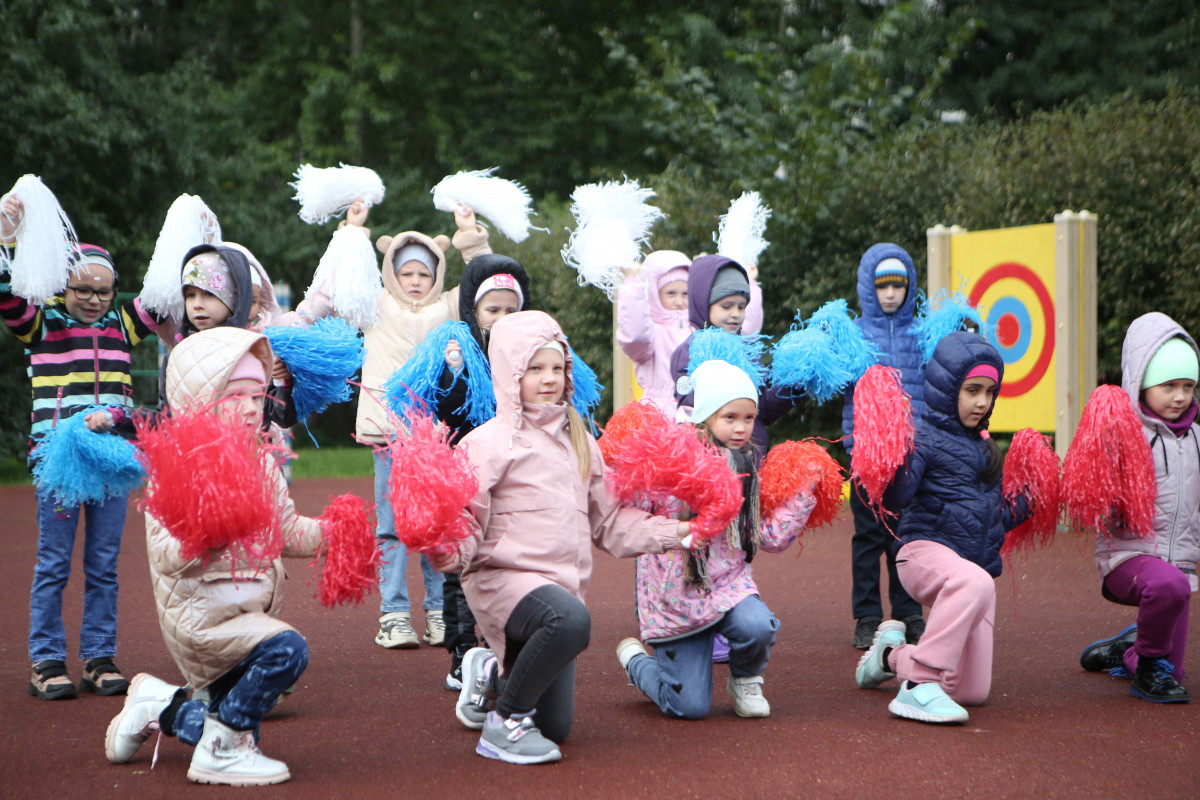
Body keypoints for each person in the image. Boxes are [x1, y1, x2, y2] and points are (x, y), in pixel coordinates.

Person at [432, 310, 689, 764]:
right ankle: (503, 725)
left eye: (557, 367)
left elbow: (609, 523)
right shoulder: (485, 443)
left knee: (556, 727)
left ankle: (492, 674)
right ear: (510, 373)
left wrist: (678, 533)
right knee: (571, 621)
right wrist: (450, 550)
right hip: (503, 581)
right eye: (534, 368)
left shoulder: (580, 440)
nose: (549, 378)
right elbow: (466, 521)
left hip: (558, 589)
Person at [103, 327, 325, 785]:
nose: (252, 407)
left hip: (244, 613)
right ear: (199, 401)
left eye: (257, 396)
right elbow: (168, 557)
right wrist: (210, 537)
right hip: (200, 620)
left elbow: (285, 532)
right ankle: (221, 752)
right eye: (235, 396)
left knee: (223, 720)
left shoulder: (260, 463)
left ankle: (161, 706)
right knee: (286, 651)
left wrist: (336, 533)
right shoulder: (177, 468)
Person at [292, 203, 488, 650]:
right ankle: (394, 614)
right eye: (406, 272)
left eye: (424, 273)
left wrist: (470, 236)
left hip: (438, 435)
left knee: (438, 523)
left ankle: (438, 612)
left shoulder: (448, 306)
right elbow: (335, 286)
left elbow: (484, 281)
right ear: (391, 274)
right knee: (393, 524)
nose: (415, 280)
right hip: (388, 432)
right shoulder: (375, 305)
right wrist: (351, 232)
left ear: (436, 275)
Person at [2, 196, 167, 700]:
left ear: (114, 291)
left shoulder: (122, 325)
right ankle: (47, 660)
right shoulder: (43, 324)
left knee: (104, 564)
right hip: (58, 460)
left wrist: (192, 233)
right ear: (63, 287)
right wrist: (6, 237)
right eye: (83, 290)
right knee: (54, 562)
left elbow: (162, 294)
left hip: (111, 459)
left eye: (103, 291)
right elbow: (5, 293)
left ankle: (98, 656)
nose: (94, 300)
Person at [615, 359, 817, 720]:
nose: (741, 428)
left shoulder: (748, 467)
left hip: (728, 586)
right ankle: (637, 664)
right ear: (705, 416)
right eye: (730, 417)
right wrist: (626, 465)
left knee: (757, 625)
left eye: (749, 418)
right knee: (689, 708)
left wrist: (803, 494)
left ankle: (745, 679)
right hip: (674, 598)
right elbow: (632, 514)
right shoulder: (669, 461)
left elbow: (769, 538)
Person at [855, 331, 1029, 724]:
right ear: (948, 389)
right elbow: (896, 499)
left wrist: (1030, 501)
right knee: (976, 582)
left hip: (968, 573)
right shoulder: (922, 436)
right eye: (972, 390)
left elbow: (991, 520)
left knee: (970, 692)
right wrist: (892, 454)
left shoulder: (986, 449)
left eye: (989, 392)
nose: (982, 402)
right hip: (922, 552)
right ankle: (917, 686)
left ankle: (890, 656)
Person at [1078, 312, 1198, 703]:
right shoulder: (1125, 435)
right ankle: (1145, 665)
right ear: (1142, 383)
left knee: (1173, 673)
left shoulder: (1197, 439)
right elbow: (1093, 501)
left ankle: (1130, 650)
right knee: (1168, 587)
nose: (1180, 396)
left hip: (1178, 570)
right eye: (1168, 386)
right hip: (1129, 559)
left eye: (1188, 386)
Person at [435, 249, 531, 690]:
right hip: (466, 475)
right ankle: (461, 652)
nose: (503, 319)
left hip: (514, 475)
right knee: (462, 563)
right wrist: (454, 375)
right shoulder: (456, 351)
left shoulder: (531, 353)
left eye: (512, 310)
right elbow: (446, 410)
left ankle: (505, 645)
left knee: (512, 558)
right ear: (473, 311)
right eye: (493, 310)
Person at [843, 243, 926, 649]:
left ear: (910, 287)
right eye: (882, 286)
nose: (890, 293)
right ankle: (867, 617)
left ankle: (909, 613)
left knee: (907, 536)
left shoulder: (922, 334)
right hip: (866, 456)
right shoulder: (854, 335)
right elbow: (838, 385)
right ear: (868, 287)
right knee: (868, 539)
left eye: (898, 285)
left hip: (912, 457)